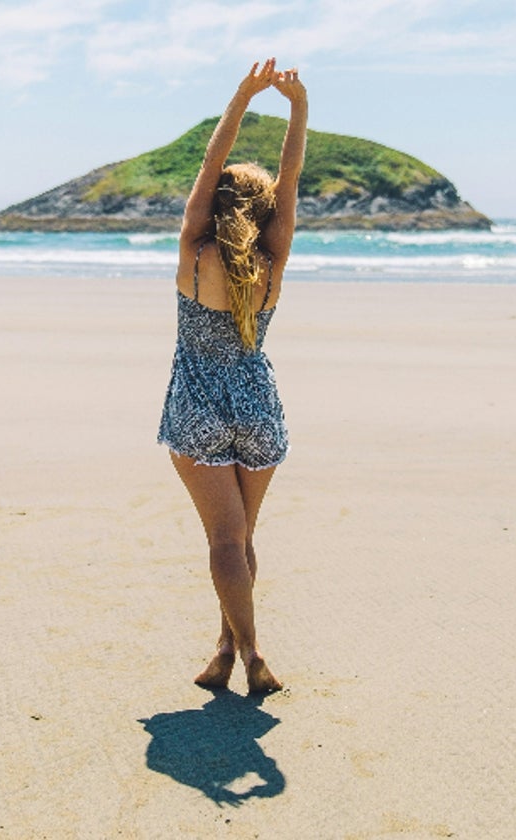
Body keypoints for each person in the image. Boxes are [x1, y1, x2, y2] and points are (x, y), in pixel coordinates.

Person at [157, 58, 307, 694]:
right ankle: (224, 648)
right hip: (257, 406)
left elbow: (206, 171)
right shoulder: (273, 260)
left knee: (224, 541)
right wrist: (299, 108)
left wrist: (242, 97)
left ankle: (250, 655)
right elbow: (292, 177)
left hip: (198, 404)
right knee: (242, 541)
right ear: (266, 211)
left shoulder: (195, 252)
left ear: (216, 205)